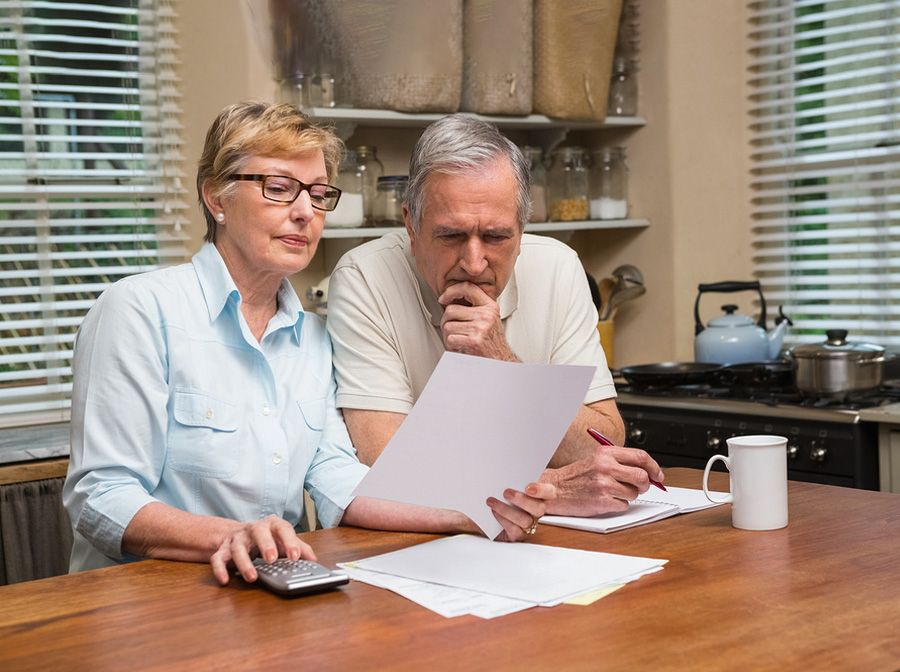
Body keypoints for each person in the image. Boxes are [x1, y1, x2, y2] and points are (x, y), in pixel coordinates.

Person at [63, 102, 555, 586]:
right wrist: (233, 536)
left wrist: (469, 512)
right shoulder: (138, 311)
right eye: (279, 189)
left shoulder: (314, 338)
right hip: (146, 605)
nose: (305, 212)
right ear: (216, 198)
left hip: (273, 591)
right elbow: (101, 496)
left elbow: (336, 476)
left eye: (318, 195)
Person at [326, 114, 663, 516]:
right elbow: (384, 465)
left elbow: (603, 445)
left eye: (496, 237)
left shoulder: (558, 267)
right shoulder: (364, 276)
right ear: (410, 226)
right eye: (451, 236)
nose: (473, 262)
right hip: (416, 543)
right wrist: (550, 488)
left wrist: (501, 361)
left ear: (522, 230)